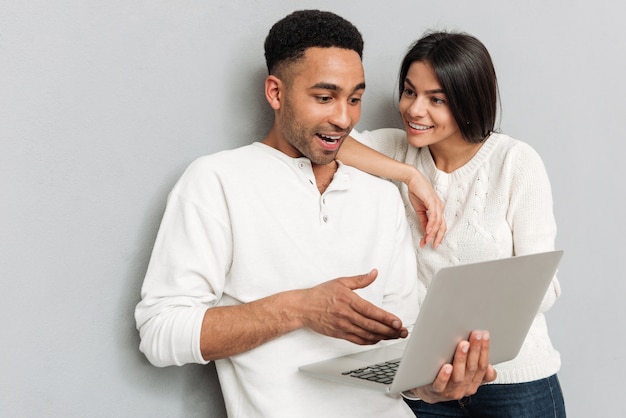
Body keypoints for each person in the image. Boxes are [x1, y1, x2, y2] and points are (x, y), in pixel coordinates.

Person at [135, 11, 496, 418]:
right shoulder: (217, 181)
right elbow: (160, 332)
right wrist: (301, 309)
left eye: (355, 99)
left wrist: (434, 385)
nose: (344, 118)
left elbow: (402, 347)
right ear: (275, 92)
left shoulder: (380, 195)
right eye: (324, 98)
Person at [338, 31, 566, 417]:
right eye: (410, 92)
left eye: (436, 99)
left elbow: (542, 287)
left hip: (512, 380)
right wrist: (411, 177)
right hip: (429, 382)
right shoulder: (396, 150)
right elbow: (328, 140)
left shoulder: (515, 162)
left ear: (468, 100)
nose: (414, 110)